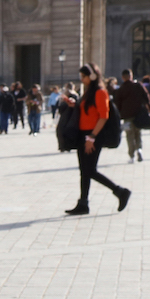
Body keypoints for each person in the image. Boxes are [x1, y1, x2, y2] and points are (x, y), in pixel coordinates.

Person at [63, 62, 130, 216]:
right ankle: (83, 203)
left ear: (92, 76)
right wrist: (74, 104)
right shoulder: (88, 92)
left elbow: (104, 116)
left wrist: (92, 137)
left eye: (84, 76)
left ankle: (120, 191)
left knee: (90, 170)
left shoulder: (100, 92)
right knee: (84, 171)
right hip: (82, 133)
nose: (82, 79)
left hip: (93, 134)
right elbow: (87, 112)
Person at [114, 68, 150, 163]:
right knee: (138, 134)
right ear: (131, 76)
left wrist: (118, 115)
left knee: (129, 135)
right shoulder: (138, 85)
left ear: (123, 77)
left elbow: (117, 103)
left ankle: (132, 156)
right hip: (138, 114)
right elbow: (146, 96)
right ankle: (139, 149)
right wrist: (149, 109)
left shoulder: (121, 89)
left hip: (127, 117)